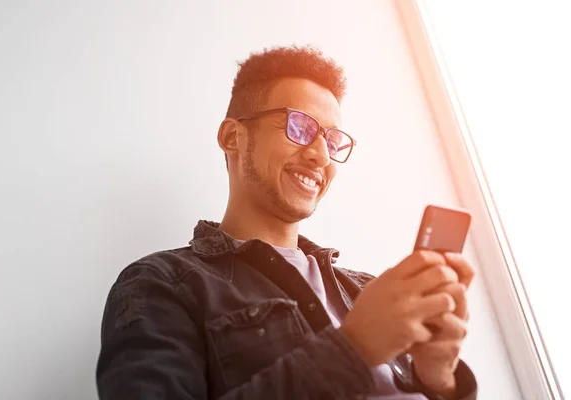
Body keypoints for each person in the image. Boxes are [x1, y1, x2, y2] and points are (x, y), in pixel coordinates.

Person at [96, 45, 478, 400]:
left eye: (332, 141)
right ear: (233, 137)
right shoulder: (163, 283)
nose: (320, 156)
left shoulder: (368, 290)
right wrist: (355, 348)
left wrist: (439, 381)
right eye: (299, 127)